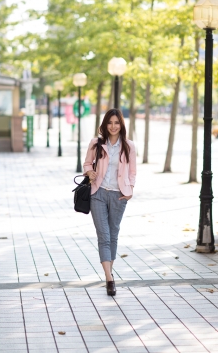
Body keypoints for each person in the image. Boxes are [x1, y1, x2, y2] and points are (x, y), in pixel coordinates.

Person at [83, 109, 136, 296]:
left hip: (118, 195)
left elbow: (132, 172)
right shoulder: (96, 143)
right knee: (104, 236)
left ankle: (109, 272)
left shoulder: (129, 146)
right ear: (104, 125)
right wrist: (90, 173)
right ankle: (109, 278)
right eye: (110, 123)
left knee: (113, 235)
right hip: (98, 193)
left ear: (121, 125)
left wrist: (130, 191)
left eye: (117, 123)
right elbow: (87, 164)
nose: (113, 126)